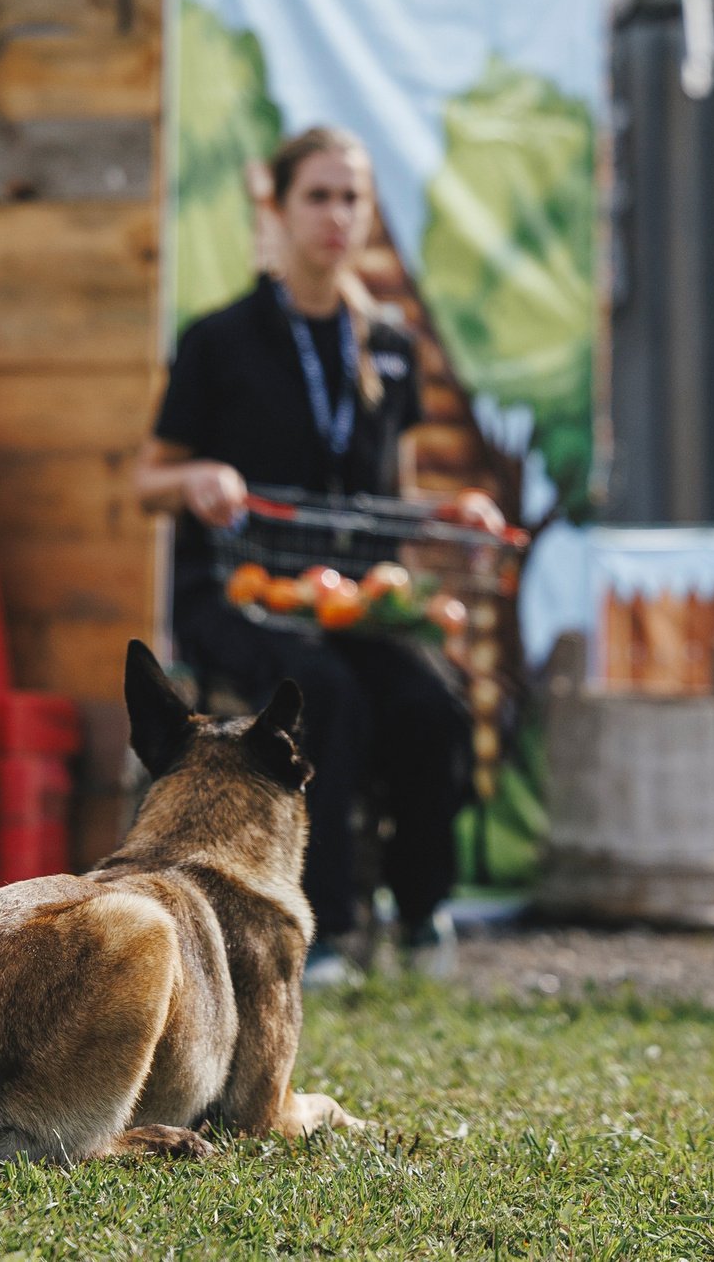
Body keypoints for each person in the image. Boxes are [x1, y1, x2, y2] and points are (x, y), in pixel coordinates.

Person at [136, 126, 498, 988]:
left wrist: (454, 514)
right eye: (320, 196)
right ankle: (325, 933)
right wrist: (198, 478)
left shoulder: (391, 347)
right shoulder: (220, 340)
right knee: (322, 697)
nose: (338, 216)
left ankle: (419, 919)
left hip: (351, 604)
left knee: (433, 703)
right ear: (280, 207)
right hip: (234, 595)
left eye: (353, 198)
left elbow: (390, 498)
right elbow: (146, 480)